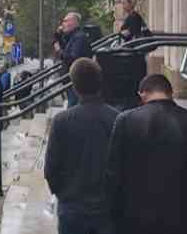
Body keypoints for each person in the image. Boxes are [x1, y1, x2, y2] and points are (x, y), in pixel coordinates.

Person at [44, 58, 119, 234]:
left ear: (74, 86)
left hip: (72, 209)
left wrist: (64, 194)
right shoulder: (116, 118)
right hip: (106, 210)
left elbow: (51, 169)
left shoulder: (61, 121)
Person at [105, 74, 187, 234]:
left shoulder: (125, 120)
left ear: (142, 94)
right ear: (170, 93)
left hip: (134, 219)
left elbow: (113, 174)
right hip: (179, 218)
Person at [61, 12, 92, 107]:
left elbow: (74, 58)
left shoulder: (79, 38)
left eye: (65, 21)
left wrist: (61, 53)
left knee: (73, 106)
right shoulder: (73, 37)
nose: (63, 24)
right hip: (72, 79)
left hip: (76, 80)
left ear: (74, 22)